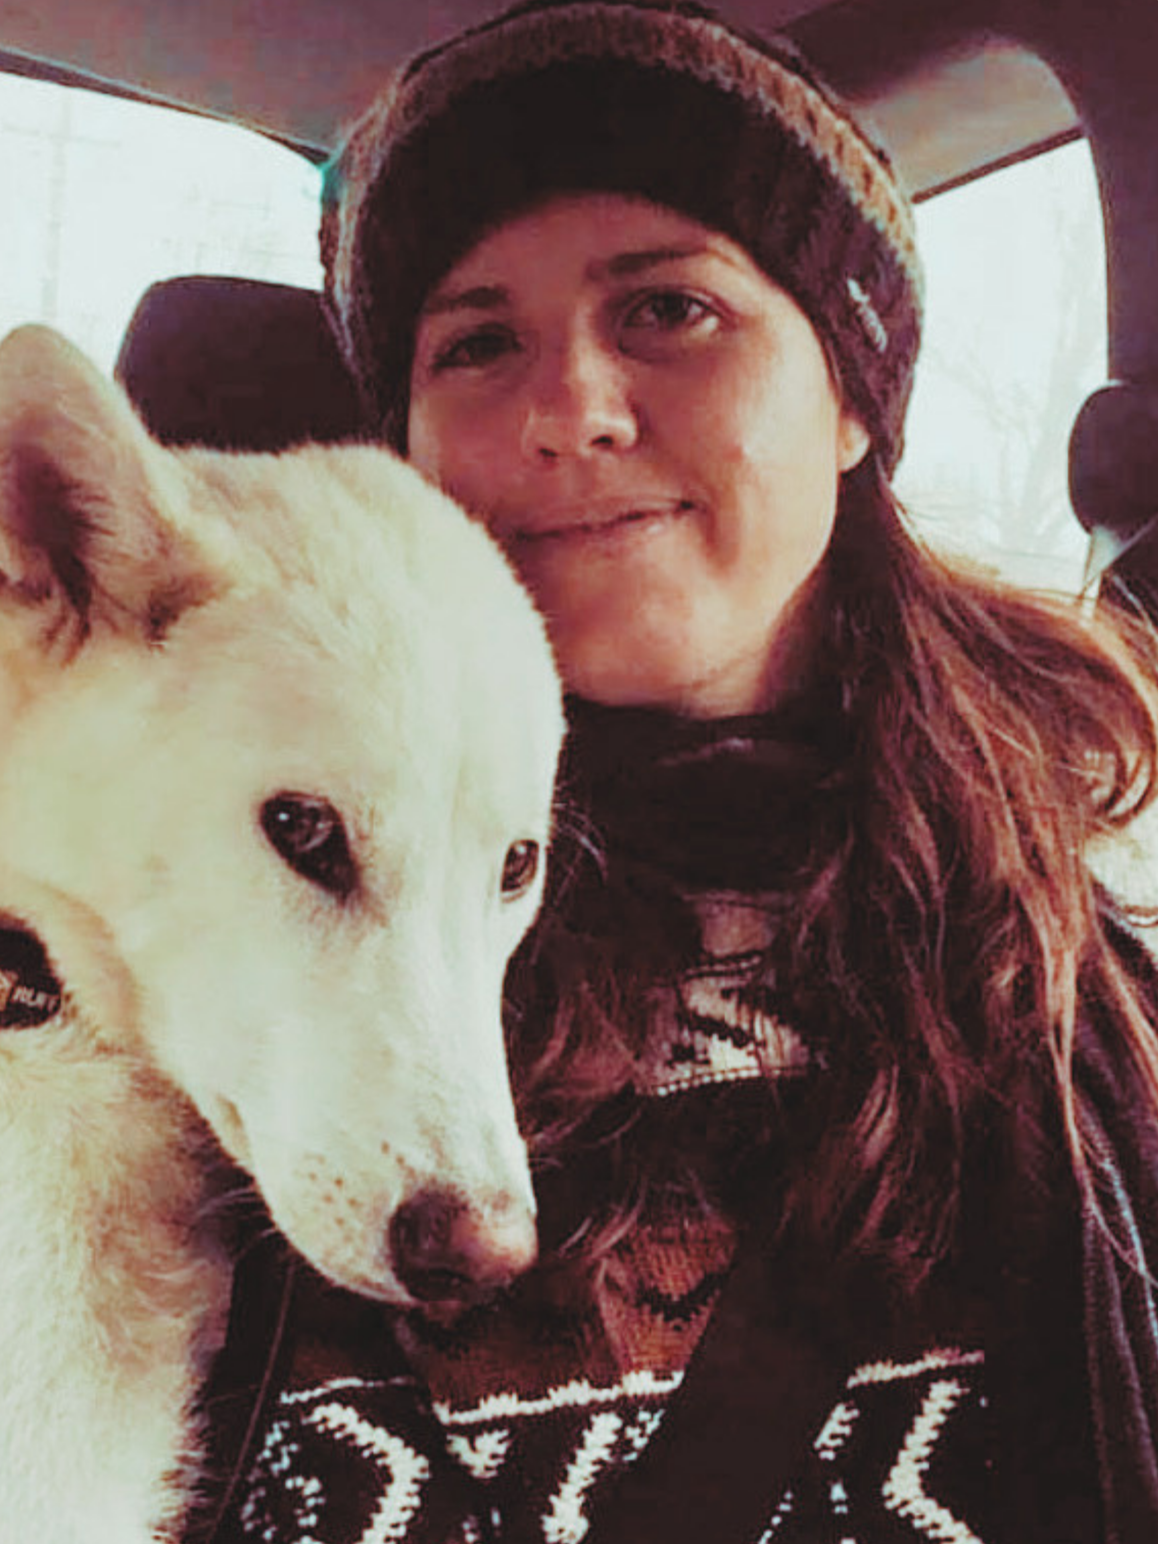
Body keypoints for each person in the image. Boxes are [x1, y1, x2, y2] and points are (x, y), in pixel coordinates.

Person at [194, 3, 1158, 1540]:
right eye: (477, 343)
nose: (570, 408)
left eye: (667, 311)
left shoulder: (1114, 872)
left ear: (850, 394)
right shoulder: (206, 890)